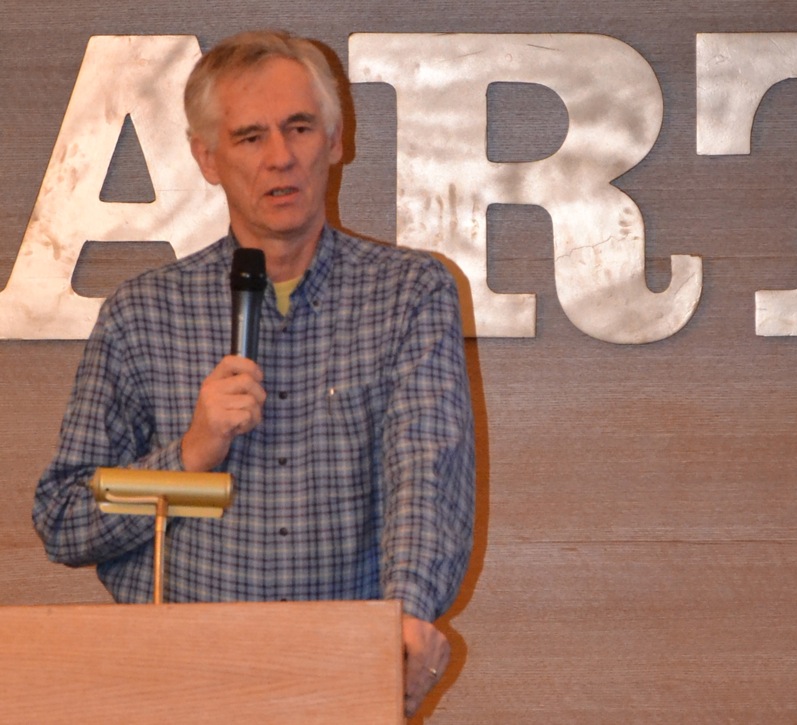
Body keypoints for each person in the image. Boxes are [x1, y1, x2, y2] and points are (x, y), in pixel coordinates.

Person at [33, 30, 475, 718]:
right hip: (179, 684)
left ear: (335, 140)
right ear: (207, 158)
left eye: (299, 127)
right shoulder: (143, 314)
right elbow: (62, 518)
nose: (280, 157)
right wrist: (190, 455)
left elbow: (426, 474)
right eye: (249, 137)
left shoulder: (409, 294)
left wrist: (408, 615)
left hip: (343, 676)